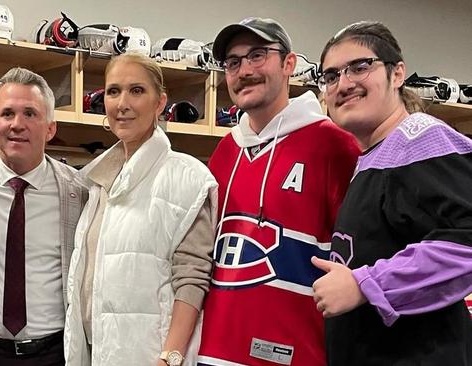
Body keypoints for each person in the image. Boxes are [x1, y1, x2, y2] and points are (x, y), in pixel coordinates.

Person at [196, 18, 360, 366]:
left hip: (296, 354)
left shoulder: (334, 146)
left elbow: (358, 261)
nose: (244, 71)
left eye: (258, 56)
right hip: (213, 354)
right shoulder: (225, 152)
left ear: (289, 64)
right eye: (233, 62)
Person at [311, 20, 472, 365]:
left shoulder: (421, 139)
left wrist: (366, 284)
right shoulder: (375, 155)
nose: (344, 83)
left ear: (397, 74)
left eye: (360, 66)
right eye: (331, 75)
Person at [63, 52, 217, 366]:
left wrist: (170, 358)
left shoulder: (187, 178)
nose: (123, 103)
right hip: (97, 353)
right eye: (113, 91)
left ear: (160, 102)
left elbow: (192, 278)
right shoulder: (97, 182)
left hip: (153, 357)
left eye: (137, 91)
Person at [0, 67, 87, 366]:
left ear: (50, 128)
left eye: (30, 114)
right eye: (7, 113)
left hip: (54, 353)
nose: (17, 124)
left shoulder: (79, 190)